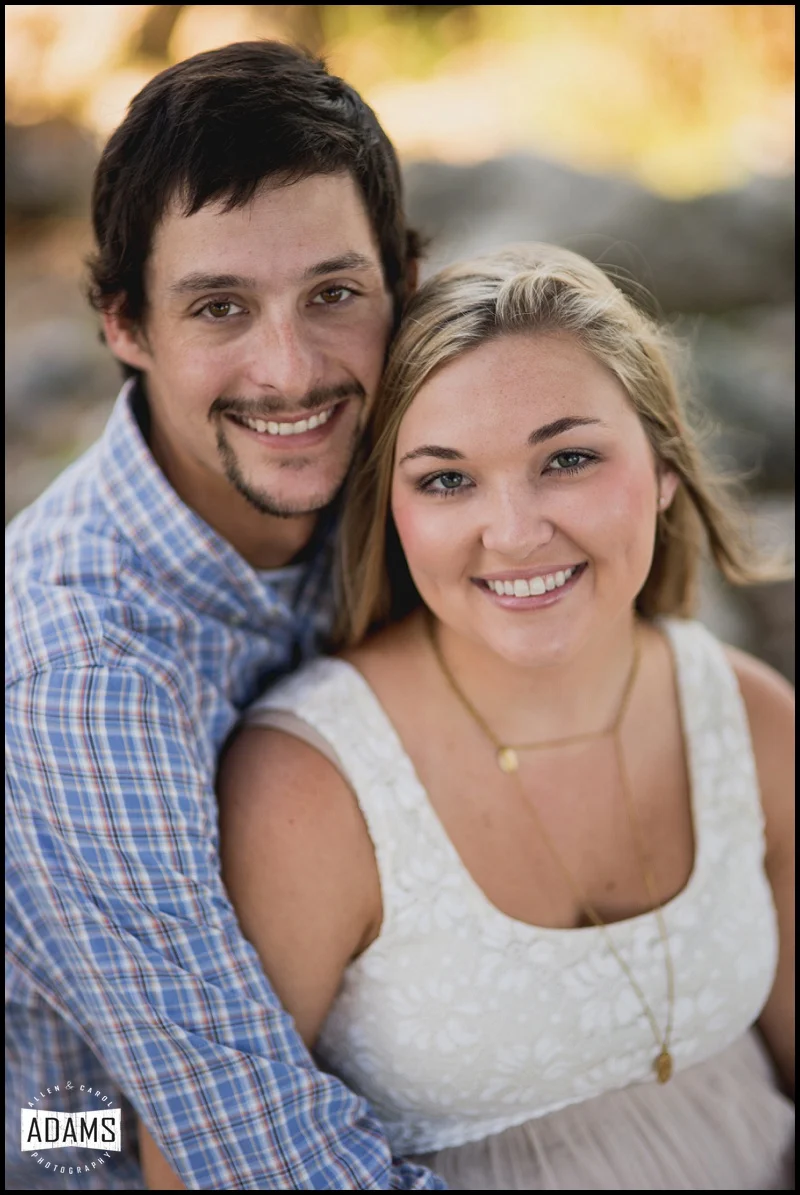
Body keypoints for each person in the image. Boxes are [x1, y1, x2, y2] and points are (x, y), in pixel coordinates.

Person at [153, 243, 794, 1189]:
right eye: (447, 479)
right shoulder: (313, 788)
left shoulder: (750, 715)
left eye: (567, 458)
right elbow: (180, 1155)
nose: (515, 531)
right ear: (394, 512)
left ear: (662, 466)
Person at [5, 39, 447, 1192]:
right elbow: (238, 1142)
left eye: (334, 294)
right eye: (219, 308)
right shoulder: (85, 670)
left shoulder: (415, 476)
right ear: (124, 326)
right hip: (67, 1119)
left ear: (404, 280)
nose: (290, 370)